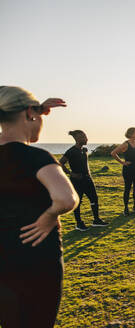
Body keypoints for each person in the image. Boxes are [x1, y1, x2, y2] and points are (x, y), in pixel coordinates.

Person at [0, 86, 78, 327]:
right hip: (36, 259)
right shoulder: (36, 158)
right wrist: (49, 216)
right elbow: (66, 198)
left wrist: (36, 109)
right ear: (28, 114)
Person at [59, 130, 108, 231]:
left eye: (86, 136)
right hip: (77, 181)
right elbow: (60, 163)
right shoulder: (71, 151)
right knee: (78, 202)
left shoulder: (85, 150)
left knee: (94, 198)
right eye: (83, 137)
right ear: (77, 139)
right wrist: (71, 173)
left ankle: (96, 220)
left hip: (88, 179)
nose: (86, 139)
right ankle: (79, 224)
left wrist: (89, 175)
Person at [111, 127, 135, 215]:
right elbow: (113, 153)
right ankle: (126, 208)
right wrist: (122, 162)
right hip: (128, 169)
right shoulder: (125, 144)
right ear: (131, 134)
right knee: (127, 188)